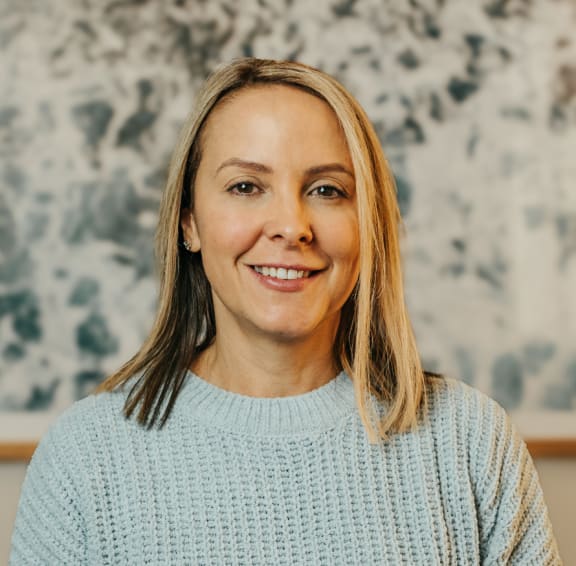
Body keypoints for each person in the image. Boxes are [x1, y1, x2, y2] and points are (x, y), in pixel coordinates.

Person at [10, 58, 561, 565]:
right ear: (190, 223)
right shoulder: (85, 458)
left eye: (326, 189)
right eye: (246, 186)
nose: (292, 225)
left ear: (368, 224)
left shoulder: (470, 441)